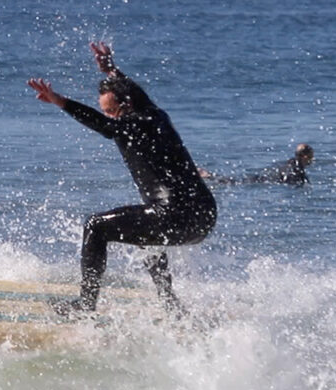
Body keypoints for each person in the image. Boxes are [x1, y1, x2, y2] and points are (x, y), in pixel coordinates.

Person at [27, 42, 217, 316]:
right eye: (105, 110)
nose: (109, 116)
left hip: (176, 216)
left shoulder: (133, 125)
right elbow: (136, 94)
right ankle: (170, 304)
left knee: (96, 226)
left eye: (111, 110)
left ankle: (85, 305)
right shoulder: (156, 115)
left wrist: (61, 101)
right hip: (204, 215)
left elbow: (104, 126)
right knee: (145, 231)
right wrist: (111, 70)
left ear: (125, 107)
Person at [200, 143, 314, 186]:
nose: (311, 160)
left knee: (235, 180)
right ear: (305, 156)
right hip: (265, 181)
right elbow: (294, 181)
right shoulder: (297, 169)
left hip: (263, 177)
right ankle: (209, 176)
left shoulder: (289, 163)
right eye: (311, 157)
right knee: (235, 182)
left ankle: (210, 176)